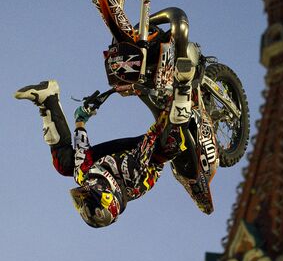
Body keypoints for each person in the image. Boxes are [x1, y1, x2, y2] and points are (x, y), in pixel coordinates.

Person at [14, 79, 192, 228]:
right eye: (87, 194)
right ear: (105, 195)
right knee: (170, 146)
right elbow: (150, 139)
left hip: (113, 160)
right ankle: (184, 90)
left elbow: (81, 151)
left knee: (64, 165)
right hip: (144, 156)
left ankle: (48, 98)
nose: (84, 189)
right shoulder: (133, 178)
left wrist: (81, 120)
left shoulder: (85, 176)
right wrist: (165, 116)